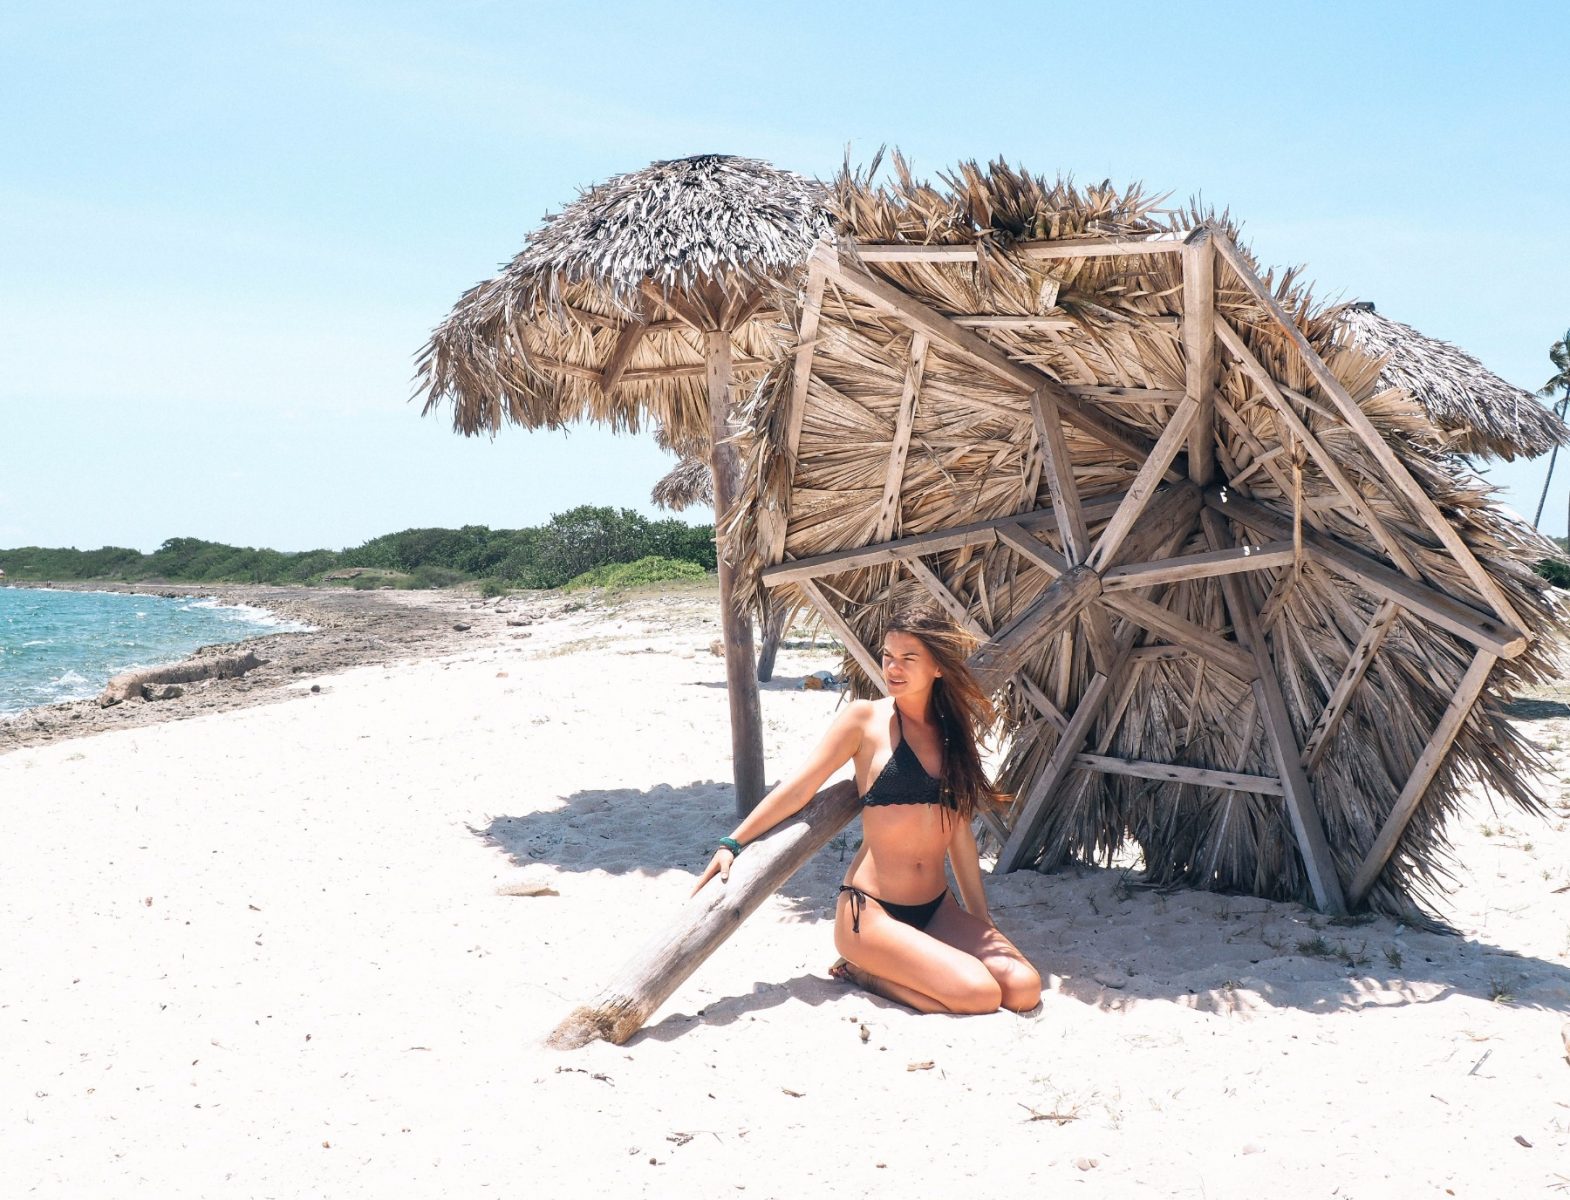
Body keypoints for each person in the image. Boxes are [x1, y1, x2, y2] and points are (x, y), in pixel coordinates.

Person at [691, 600, 1042, 1014]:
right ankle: (863, 973)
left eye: (908, 658)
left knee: (1024, 989)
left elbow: (958, 831)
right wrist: (732, 842)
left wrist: (981, 918)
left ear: (937, 666)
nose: (893, 667)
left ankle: (912, 962)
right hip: (870, 914)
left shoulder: (952, 729)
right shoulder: (864, 719)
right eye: (888, 656)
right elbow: (799, 788)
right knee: (979, 994)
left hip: (936, 908)